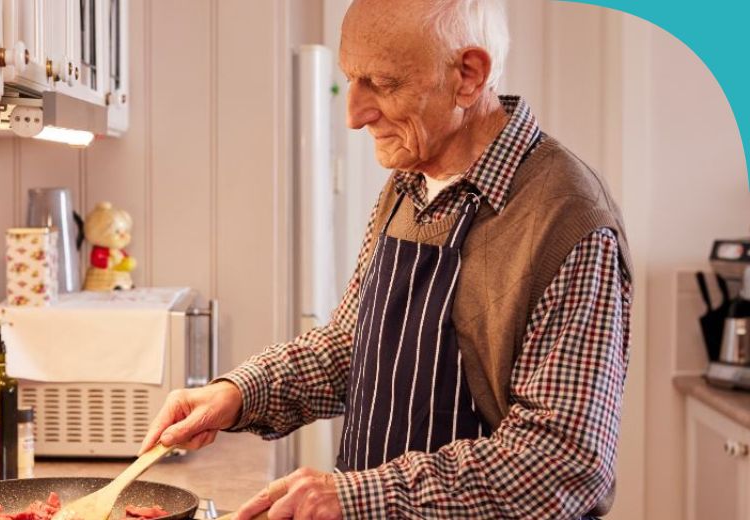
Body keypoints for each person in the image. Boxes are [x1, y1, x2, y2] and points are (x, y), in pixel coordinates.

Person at [138, 0, 632, 518]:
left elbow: (562, 462)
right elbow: (355, 343)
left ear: (468, 75)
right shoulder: (409, 181)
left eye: (383, 83)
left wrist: (351, 496)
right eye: (352, 79)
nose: (354, 114)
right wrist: (238, 392)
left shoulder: (570, 221)